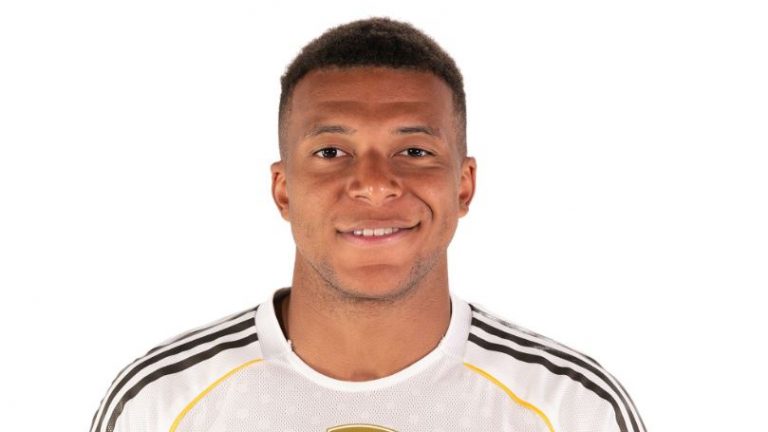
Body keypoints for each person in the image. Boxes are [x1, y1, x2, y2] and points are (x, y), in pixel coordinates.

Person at [90, 17, 646, 432]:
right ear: (283, 190)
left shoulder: (572, 410)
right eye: (331, 152)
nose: (375, 184)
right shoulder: (158, 406)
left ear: (463, 186)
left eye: (414, 151)